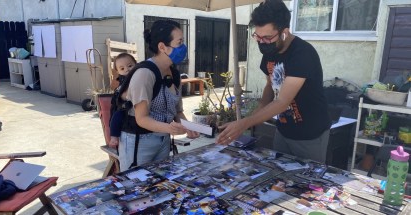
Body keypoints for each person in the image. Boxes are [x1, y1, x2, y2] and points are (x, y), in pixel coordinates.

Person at [217, 0, 331, 163]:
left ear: (284, 32)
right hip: (283, 129)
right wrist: (253, 114)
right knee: (278, 176)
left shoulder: (302, 54)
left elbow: (283, 101)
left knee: (307, 182)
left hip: (310, 134)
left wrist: (243, 124)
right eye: (258, 36)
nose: (262, 42)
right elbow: (270, 86)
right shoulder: (271, 50)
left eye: (268, 37)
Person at [118, 20, 199, 171]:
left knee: (160, 185)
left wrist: (190, 127)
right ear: (162, 47)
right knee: (138, 188)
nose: (183, 47)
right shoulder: (144, 74)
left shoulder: (174, 73)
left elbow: (177, 111)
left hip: (163, 140)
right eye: (179, 42)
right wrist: (170, 129)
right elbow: (141, 118)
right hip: (140, 141)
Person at [108, 53, 137, 148]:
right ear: (118, 71)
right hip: (123, 107)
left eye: (130, 66)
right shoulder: (123, 80)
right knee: (117, 116)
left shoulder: (141, 75)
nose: (127, 69)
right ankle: (114, 136)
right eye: (122, 68)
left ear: (136, 64)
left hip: (137, 106)